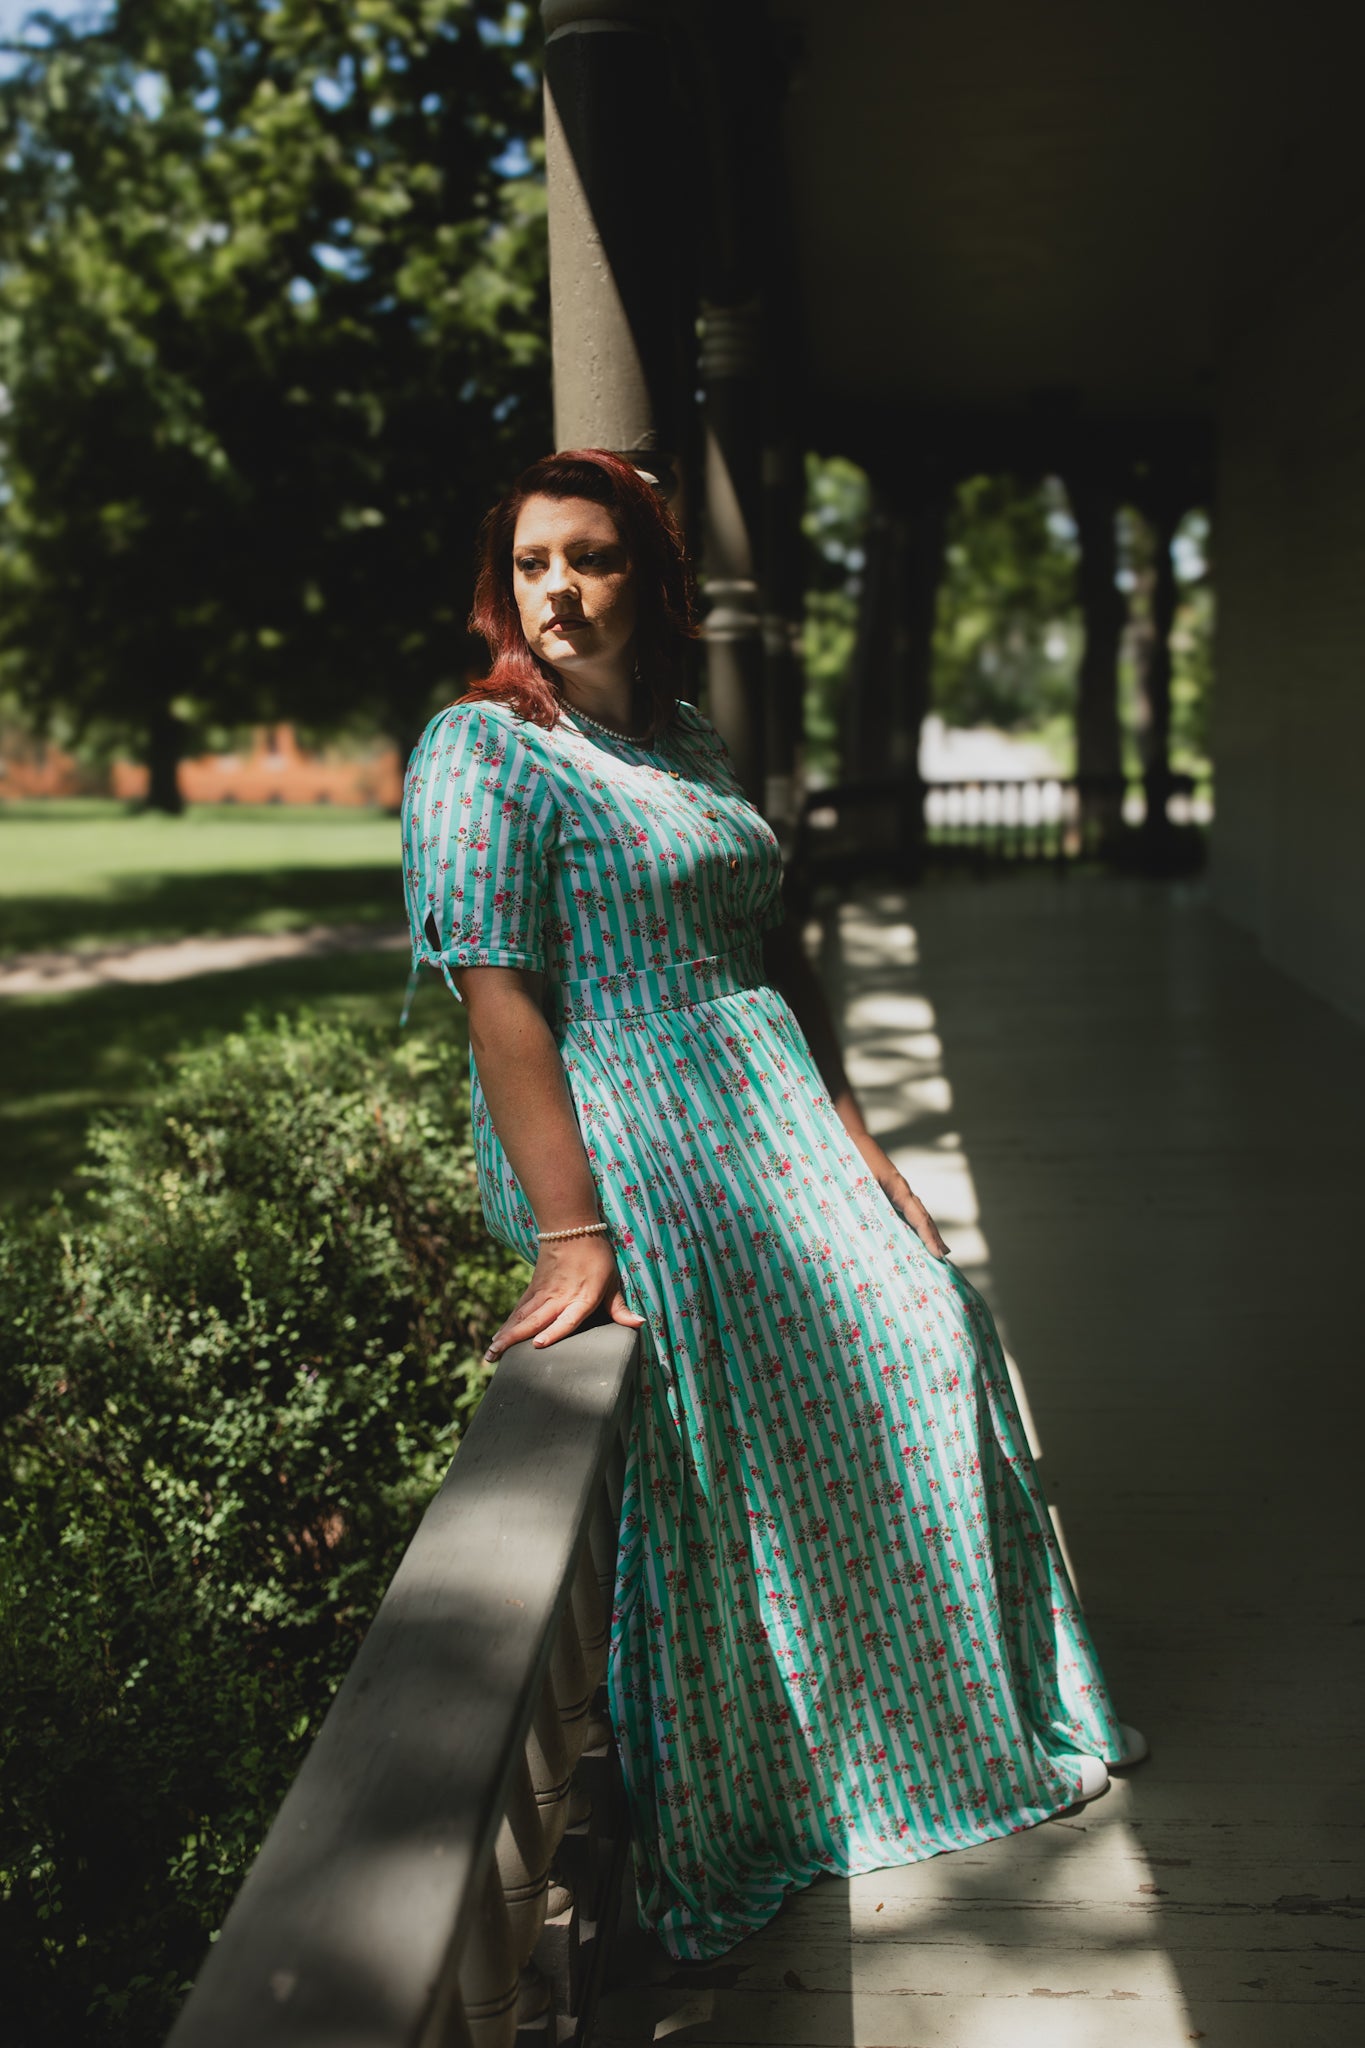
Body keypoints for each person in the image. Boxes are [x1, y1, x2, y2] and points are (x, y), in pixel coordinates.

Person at [401, 448, 1144, 1962]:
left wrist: (859, 1135)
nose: (561, 587)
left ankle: (937, 1730)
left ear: (648, 580)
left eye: (592, 557)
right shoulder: (484, 750)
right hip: (633, 1118)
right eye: (534, 561)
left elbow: (771, 938)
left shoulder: (679, 735)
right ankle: (791, 1772)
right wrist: (573, 1232)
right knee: (756, 1421)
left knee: (929, 1333)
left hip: (766, 1103)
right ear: (504, 586)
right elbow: (496, 992)